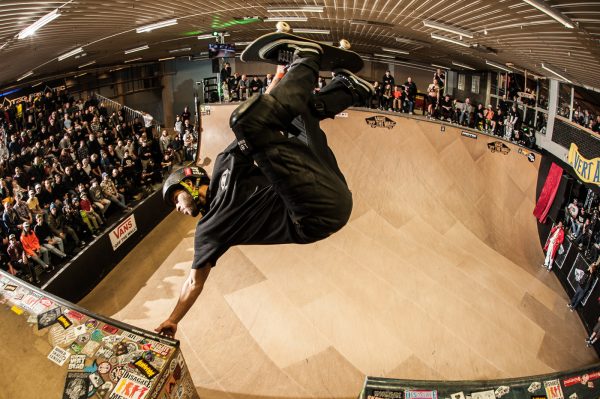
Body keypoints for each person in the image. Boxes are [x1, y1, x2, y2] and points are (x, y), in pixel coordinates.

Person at [155, 40, 374, 337]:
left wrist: (280, 76)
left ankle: (349, 89)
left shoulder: (224, 163)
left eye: (176, 199)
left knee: (290, 114)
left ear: (190, 181)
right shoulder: (209, 230)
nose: (178, 209)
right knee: (245, 121)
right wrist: (173, 319)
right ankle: (308, 58)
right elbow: (194, 282)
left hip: (322, 184)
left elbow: (268, 110)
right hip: (311, 215)